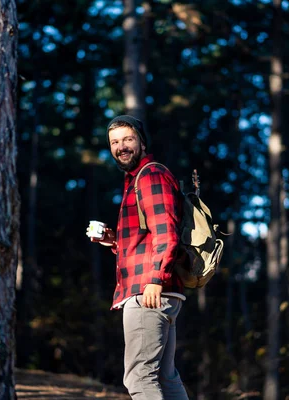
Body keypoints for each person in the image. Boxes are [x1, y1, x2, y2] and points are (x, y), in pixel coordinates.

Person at [87, 115, 189, 400]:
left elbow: (167, 233)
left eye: (128, 139)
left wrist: (155, 280)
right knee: (165, 378)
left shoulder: (151, 176)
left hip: (149, 291)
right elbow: (146, 240)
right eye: (115, 142)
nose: (121, 146)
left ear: (142, 142)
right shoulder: (136, 180)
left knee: (139, 377)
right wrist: (113, 241)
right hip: (159, 290)